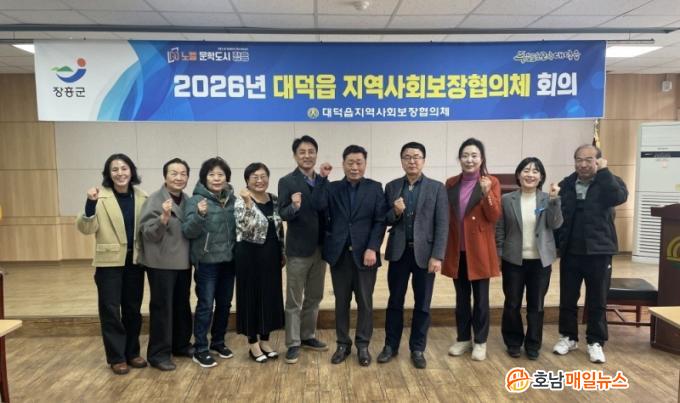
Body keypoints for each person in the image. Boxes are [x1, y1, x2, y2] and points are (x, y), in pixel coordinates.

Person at [552, 144, 628, 364]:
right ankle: (568, 337)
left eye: (588, 160)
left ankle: (595, 341)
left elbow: (618, 197)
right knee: (568, 298)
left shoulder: (609, 181)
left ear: (599, 161)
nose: (583, 164)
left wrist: (604, 172)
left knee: (597, 299)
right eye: (579, 159)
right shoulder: (566, 184)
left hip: (599, 252)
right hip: (571, 252)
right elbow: (558, 217)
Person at [312, 145, 387, 366]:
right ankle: (343, 344)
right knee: (341, 302)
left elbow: (380, 221)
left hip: (366, 255)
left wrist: (373, 248)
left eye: (359, 163)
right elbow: (317, 205)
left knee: (365, 302)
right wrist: (322, 179)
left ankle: (363, 345)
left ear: (365, 164)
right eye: (350, 163)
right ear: (343, 164)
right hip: (340, 255)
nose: (355, 167)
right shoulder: (332, 187)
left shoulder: (375, 188)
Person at [377, 142, 449, 369]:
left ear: (423, 160)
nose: (412, 161)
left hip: (425, 255)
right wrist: (395, 211)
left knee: (423, 304)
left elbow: (442, 224)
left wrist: (437, 256)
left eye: (416, 156)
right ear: (401, 160)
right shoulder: (392, 187)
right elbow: (385, 219)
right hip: (399, 253)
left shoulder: (437, 188)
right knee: (394, 301)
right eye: (407, 157)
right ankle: (390, 346)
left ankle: (417, 348)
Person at [76, 153, 148, 375]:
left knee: (133, 309)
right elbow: (86, 228)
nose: (120, 173)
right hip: (109, 263)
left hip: (134, 262)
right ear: (108, 174)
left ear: (131, 171)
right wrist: (90, 204)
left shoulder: (142, 196)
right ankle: (117, 357)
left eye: (124, 168)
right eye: (114, 169)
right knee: (110, 310)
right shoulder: (99, 197)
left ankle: (132, 352)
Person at [496, 157, 563, 360]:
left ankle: (533, 343)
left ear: (541, 177)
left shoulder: (548, 198)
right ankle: (513, 342)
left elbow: (555, 224)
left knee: (537, 305)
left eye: (535, 171)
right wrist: (499, 254)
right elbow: (500, 229)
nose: (530, 175)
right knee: (512, 303)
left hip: (540, 262)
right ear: (518, 175)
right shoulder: (507, 199)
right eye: (526, 170)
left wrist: (554, 201)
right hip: (513, 260)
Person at [442, 138, 501, 362]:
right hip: (457, 249)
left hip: (480, 249)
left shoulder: (491, 182)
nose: (469, 160)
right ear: (459, 159)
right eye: (465, 155)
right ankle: (463, 338)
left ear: (481, 159)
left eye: (474, 155)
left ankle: (481, 341)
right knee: (462, 298)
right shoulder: (450, 183)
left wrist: (487, 193)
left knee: (481, 299)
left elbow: (494, 216)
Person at [138, 158, 194, 371]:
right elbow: (148, 233)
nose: (179, 177)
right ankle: (158, 354)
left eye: (183, 174)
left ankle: (181, 345)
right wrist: (163, 218)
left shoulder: (188, 200)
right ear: (165, 176)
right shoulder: (154, 200)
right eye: (174, 173)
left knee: (181, 304)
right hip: (160, 263)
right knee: (162, 308)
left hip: (183, 262)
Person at [278, 135, 329, 364]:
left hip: (321, 248)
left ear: (316, 154)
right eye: (302, 152)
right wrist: (294, 206)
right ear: (295, 156)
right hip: (298, 250)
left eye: (311, 151)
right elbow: (282, 213)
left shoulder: (322, 180)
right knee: (294, 300)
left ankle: (308, 336)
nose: (307, 156)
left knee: (315, 296)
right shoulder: (287, 181)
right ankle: (293, 343)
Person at [182, 157, 237, 368]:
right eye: (212, 174)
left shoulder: (232, 199)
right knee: (205, 305)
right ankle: (200, 348)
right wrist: (199, 215)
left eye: (220, 174)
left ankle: (218, 342)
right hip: (207, 262)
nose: (216, 178)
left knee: (225, 304)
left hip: (229, 261)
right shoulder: (195, 201)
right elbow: (188, 231)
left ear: (226, 178)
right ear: (204, 178)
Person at [234, 162, 285, 363]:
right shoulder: (240, 201)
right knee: (251, 298)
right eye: (254, 177)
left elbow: (279, 229)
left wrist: (282, 252)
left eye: (263, 176)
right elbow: (247, 228)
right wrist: (248, 203)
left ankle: (265, 340)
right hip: (249, 255)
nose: (259, 180)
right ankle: (253, 344)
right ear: (247, 180)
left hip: (271, 254)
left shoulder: (274, 199)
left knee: (269, 297)